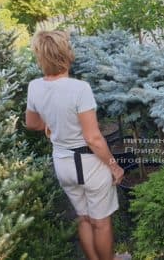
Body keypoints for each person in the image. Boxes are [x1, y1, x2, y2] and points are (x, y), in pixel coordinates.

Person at [25, 30, 128, 260]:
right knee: (101, 223)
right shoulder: (79, 89)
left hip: (62, 163)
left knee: (83, 218)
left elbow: (31, 124)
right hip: (89, 164)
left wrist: (50, 125)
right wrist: (114, 166)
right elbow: (93, 138)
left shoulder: (34, 87)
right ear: (66, 54)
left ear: (40, 57)